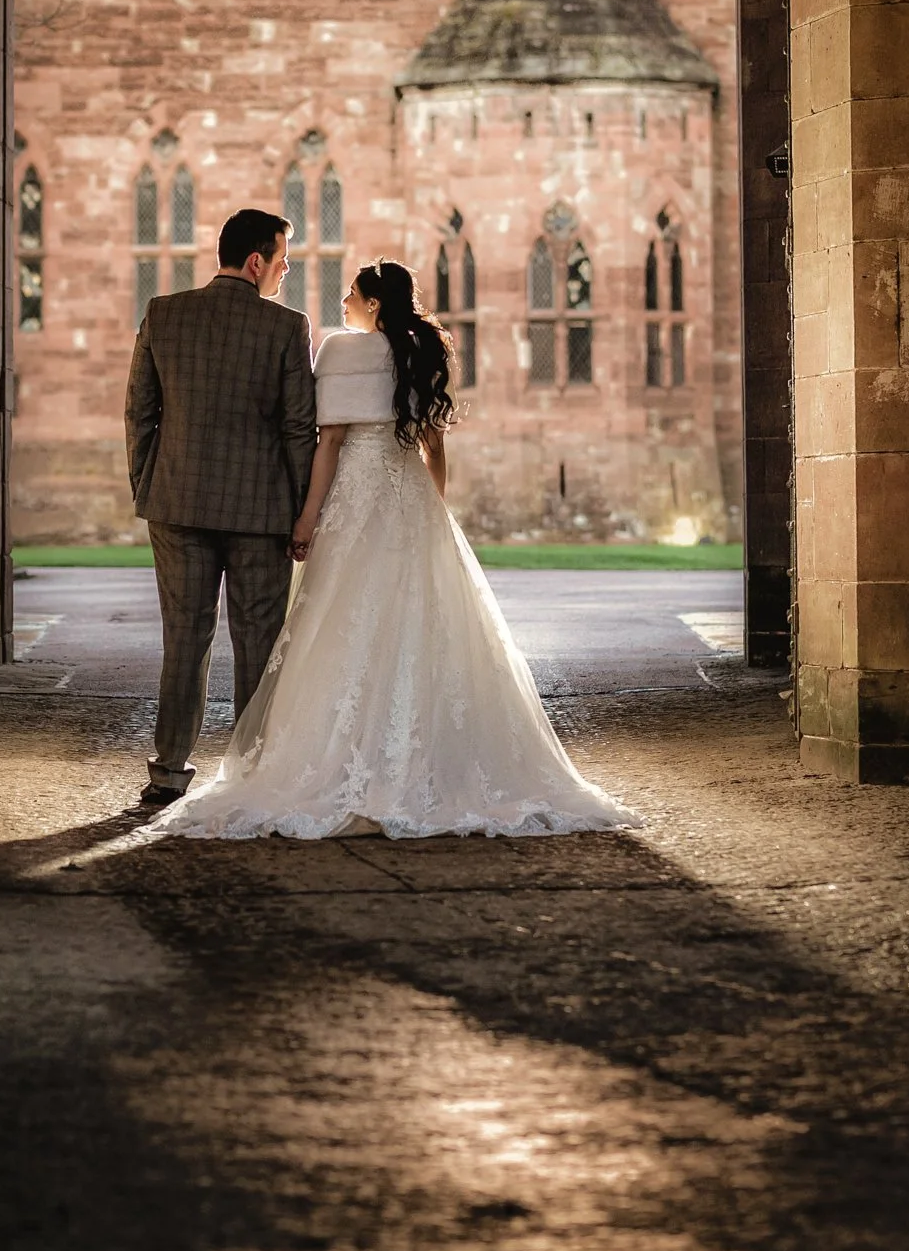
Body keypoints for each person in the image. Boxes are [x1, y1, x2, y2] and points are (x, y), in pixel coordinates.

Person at [148, 258, 638, 839]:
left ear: (373, 303)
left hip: (353, 500)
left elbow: (327, 443)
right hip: (409, 498)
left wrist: (306, 518)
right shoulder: (421, 351)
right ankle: (428, 758)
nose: (344, 302)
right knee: (421, 625)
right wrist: (435, 510)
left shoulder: (338, 352)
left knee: (342, 623)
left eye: (352, 294)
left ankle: (336, 757)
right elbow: (434, 447)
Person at [123, 206, 317, 806]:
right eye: (281, 262)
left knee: (184, 637)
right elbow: (297, 428)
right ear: (255, 262)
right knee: (258, 641)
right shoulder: (286, 328)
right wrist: (303, 510)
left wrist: (148, 484)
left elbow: (139, 412)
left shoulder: (165, 314)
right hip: (261, 513)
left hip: (176, 502)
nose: (284, 274)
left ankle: (169, 770)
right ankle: (252, 775)